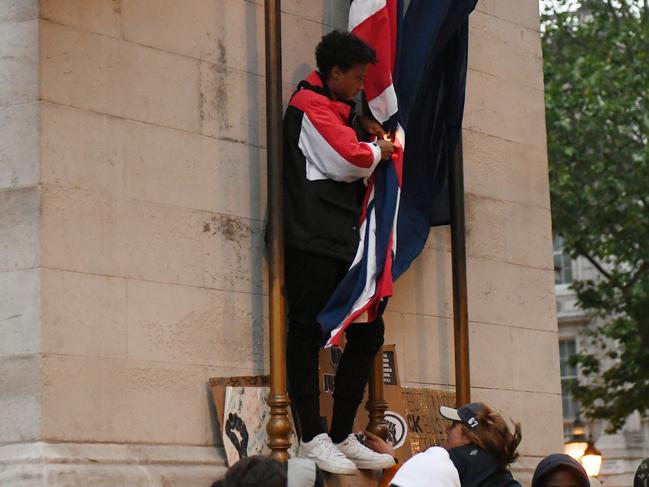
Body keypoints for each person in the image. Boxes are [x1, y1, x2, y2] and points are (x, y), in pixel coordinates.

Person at [283, 30, 396, 475]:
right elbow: (347, 158)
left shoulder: (335, 106)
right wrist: (380, 149)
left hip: (343, 241)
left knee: (368, 331)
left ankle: (342, 431)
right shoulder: (307, 105)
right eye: (357, 77)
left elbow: (348, 130)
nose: (362, 86)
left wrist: (363, 120)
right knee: (306, 332)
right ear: (334, 73)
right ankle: (312, 434)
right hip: (312, 238)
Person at [440, 402, 523, 486]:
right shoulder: (498, 469)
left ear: (467, 436)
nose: (447, 430)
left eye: (453, 425)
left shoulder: (453, 462)